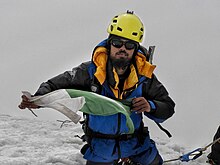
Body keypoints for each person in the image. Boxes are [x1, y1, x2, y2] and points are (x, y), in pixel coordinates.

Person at [18, 11, 175, 165]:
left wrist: (150, 106)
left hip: (138, 146)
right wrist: (38, 99)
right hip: (101, 149)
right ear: (109, 43)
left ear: (135, 49)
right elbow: (53, 85)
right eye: (117, 43)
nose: (123, 49)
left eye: (129, 45)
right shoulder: (89, 72)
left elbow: (168, 106)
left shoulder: (144, 77)